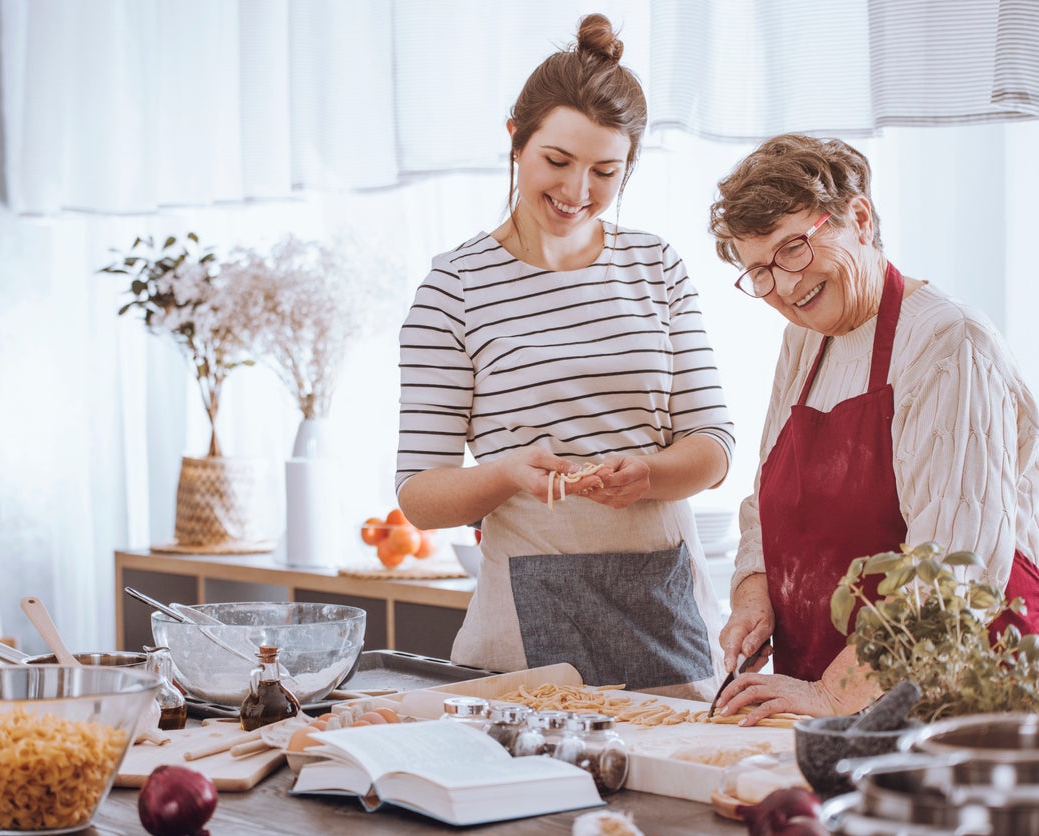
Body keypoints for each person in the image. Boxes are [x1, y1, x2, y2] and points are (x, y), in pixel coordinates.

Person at [395, 13, 735, 700]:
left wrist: (651, 471)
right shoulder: (452, 288)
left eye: (605, 171)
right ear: (516, 139)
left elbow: (715, 447)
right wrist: (510, 474)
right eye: (557, 161)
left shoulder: (656, 268)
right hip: (521, 627)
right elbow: (420, 497)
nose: (577, 192)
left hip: (666, 621)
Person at [708, 133, 1039, 724]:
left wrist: (834, 696)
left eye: (793, 249)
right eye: (759, 269)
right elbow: (767, 505)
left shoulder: (948, 342)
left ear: (858, 217)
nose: (783, 287)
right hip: (831, 707)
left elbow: (954, 569)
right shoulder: (803, 339)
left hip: (956, 708)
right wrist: (753, 594)